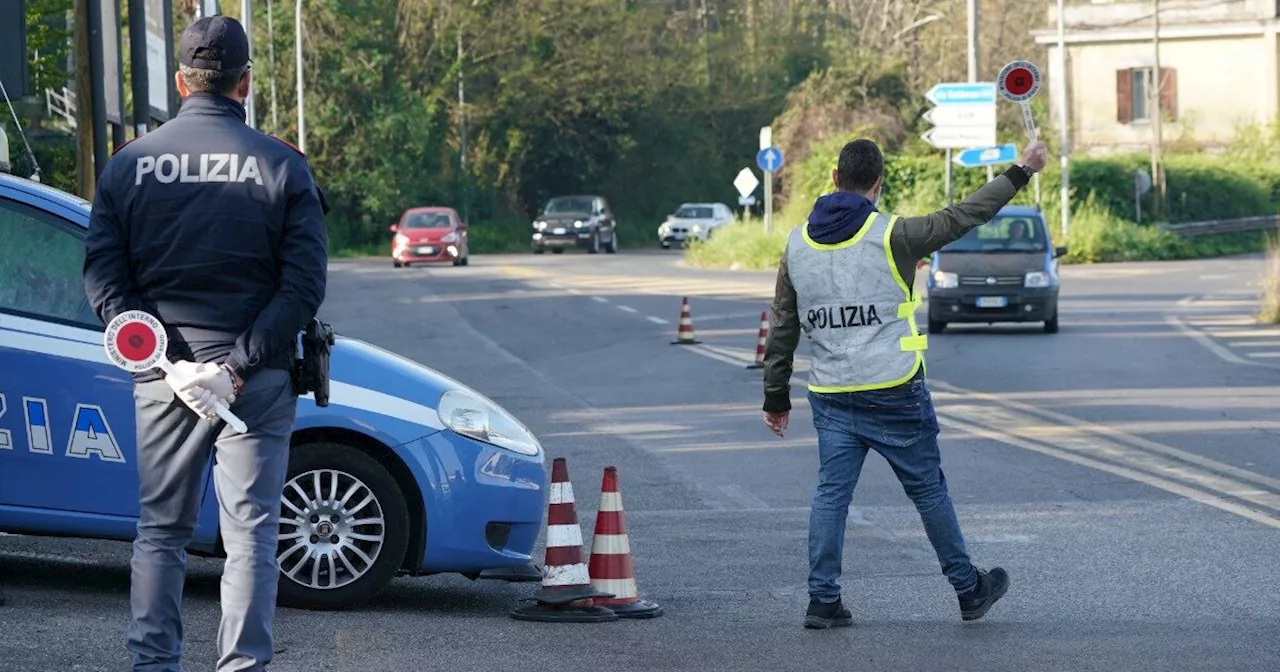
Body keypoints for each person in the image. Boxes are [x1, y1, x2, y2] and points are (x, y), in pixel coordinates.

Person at [82, 16, 328, 672]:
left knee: (160, 531)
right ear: (244, 82)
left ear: (180, 81)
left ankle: (153, 664)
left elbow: (104, 278)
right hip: (258, 383)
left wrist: (170, 361)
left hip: (164, 383)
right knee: (250, 538)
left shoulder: (129, 165)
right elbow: (303, 288)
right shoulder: (283, 166)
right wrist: (236, 368)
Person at [761, 138, 1048, 629]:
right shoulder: (895, 234)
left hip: (831, 393)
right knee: (928, 492)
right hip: (894, 388)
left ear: (834, 178)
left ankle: (822, 600)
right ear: (878, 184)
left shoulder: (795, 244)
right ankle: (968, 589)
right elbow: (964, 216)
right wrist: (1022, 170)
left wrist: (775, 395)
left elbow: (784, 322)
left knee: (831, 495)